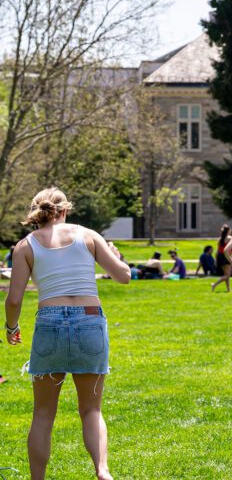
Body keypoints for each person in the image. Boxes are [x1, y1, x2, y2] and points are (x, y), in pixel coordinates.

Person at [4, 188, 131, 479]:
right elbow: (123, 276)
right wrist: (115, 255)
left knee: (43, 415)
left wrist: (12, 328)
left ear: (37, 213)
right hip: (90, 321)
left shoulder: (25, 246)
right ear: (65, 210)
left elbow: (14, 300)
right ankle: (102, 470)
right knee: (91, 411)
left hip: (49, 322)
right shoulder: (88, 235)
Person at [211, 225, 232, 291]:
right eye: (230, 229)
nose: (231, 231)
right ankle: (214, 284)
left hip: (220, 256)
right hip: (226, 256)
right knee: (227, 275)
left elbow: (217, 251)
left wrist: (216, 259)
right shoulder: (230, 238)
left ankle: (228, 289)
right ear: (228, 231)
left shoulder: (220, 239)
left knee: (226, 274)